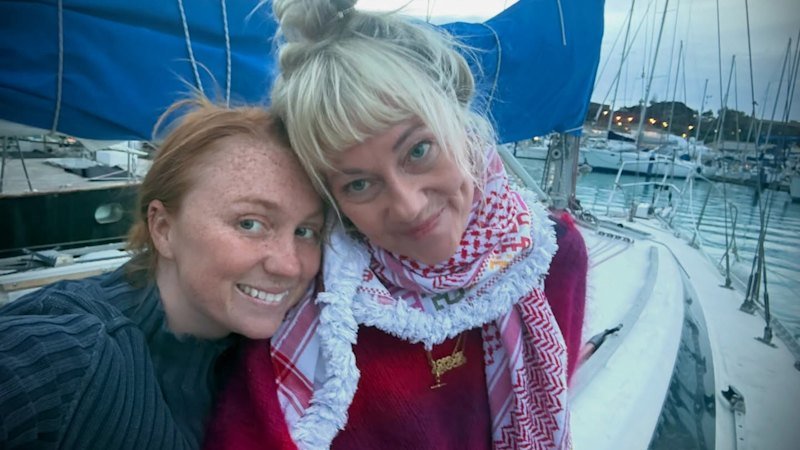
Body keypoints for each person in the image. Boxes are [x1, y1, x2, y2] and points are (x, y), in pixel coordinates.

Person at [204, 0, 587, 448]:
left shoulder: (552, 256)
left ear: (462, 127)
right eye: (359, 184)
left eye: (418, 151)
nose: (408, 207)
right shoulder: (312, 303)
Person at [0, 97, 325, 449]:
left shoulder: (281, 360)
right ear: (163, 228)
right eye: (250, 223)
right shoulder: (69, 355)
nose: (289, 266)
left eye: (306, 231)